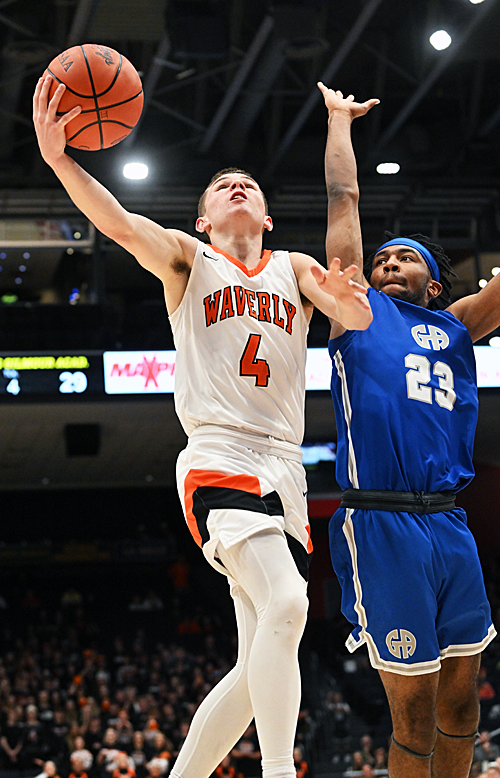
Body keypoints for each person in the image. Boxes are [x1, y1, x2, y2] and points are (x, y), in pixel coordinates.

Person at [33, 76, 372, 778]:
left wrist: (352, 303)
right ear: (204, 219)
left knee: (260, 667)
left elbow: (356, 318)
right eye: (224, 188)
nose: (238, 188)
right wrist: (63, 161)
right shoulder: (191, 260)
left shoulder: (295, 266)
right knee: (289, 599)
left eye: (249, 184)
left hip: (283, 467)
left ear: (269, 217)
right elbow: (122, 225)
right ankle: (280, 772)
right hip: (220, 454)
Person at [317, 81, 499, 778]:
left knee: (462, 709)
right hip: (382, 522)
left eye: (405, 259)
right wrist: (339, 124)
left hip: (449, 524)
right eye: (382, 257)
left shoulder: (457, 324)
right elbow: (344, 202)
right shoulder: (355, 310)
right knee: (414, 714)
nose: (388, 263)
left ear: (434, 285)